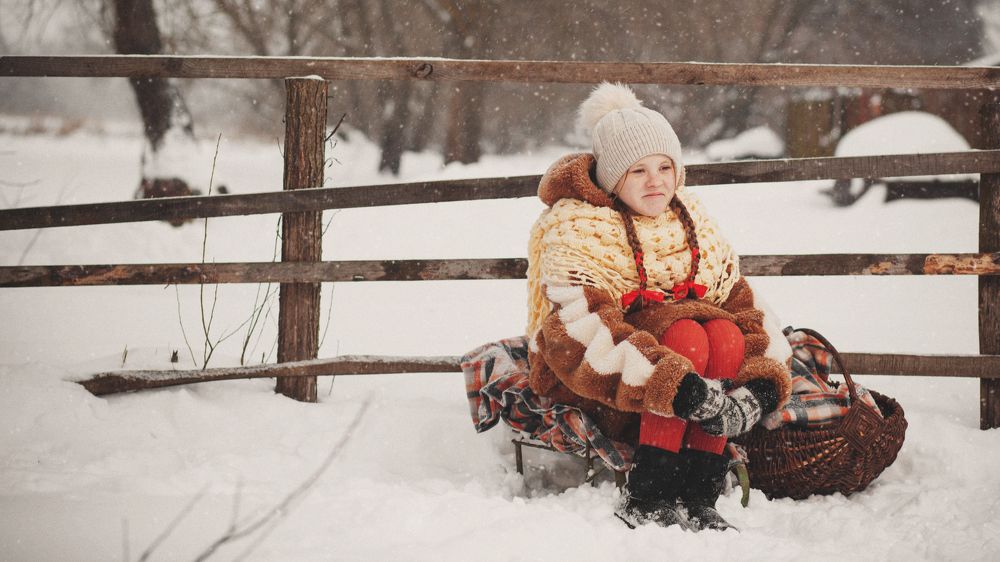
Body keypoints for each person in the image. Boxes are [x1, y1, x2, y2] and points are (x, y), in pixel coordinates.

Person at [525, 82, 793, 531]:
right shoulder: (578, 230)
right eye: (638, 171)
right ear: (612, 178)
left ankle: (699, 491)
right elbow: (580, 333)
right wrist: (675, 387)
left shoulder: (692, 220)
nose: (656, 181)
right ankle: (648, 493)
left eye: (665, 166)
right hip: (610, 386)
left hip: (691, 382)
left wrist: (761, 386)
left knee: (726, 333)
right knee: (687, 335)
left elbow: (747, 307)